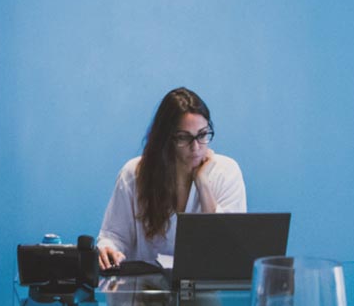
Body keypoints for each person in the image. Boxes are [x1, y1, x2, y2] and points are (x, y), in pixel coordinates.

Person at [97, 87, 246, 270]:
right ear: (165, 139)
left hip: (206, 290)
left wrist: (202, 184)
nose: (196, 147)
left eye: (202, 135)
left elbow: (227, 248)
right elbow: (114, 237)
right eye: (184, 138)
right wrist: (108, 249)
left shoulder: (226, 172)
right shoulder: (134, 173)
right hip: (145, 290)